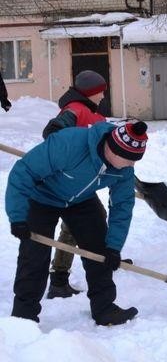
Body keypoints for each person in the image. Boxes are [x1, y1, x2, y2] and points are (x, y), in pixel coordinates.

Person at [6, 120, 147, 326]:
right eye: (128, 159)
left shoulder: (123, 169)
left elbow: (122, 206)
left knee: (100, 249)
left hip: (81, 200)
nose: (131, 165)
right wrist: (18, 217)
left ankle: (104, 308)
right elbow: (23, 172)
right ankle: (23, 316)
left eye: (134, 161)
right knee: (34, 255)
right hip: (41, 197)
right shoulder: (68, 144)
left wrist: (114, 247)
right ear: (112, 149)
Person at [42, 70, 108, 299]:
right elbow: (52, 132)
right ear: (90, 93)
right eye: (100, 92)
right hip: (68, 181)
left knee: (90, 220)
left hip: (82, 181)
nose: (103, 96)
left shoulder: (93, 114)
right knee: (78, 225)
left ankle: (99, 259)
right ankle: (59, 280)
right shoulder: (74, 110)